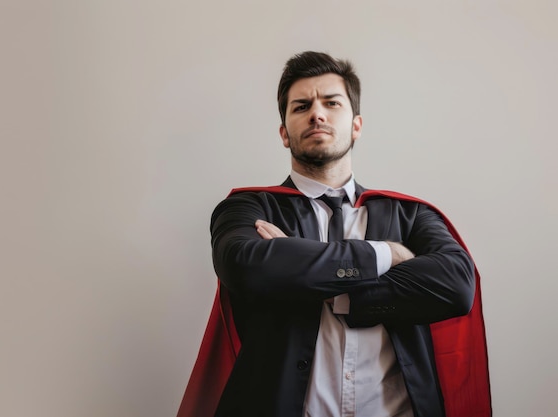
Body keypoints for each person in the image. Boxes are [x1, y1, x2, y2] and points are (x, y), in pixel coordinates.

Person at [177, 51, 491, 417]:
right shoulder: (248, 208)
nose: (317, 113)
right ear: (284, 133)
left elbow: (456, 285)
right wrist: (386, 255)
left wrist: (323, 284)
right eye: (301, 106)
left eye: (331, 103)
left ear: (356, 125)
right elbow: (245, 266)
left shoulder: (411, 215)